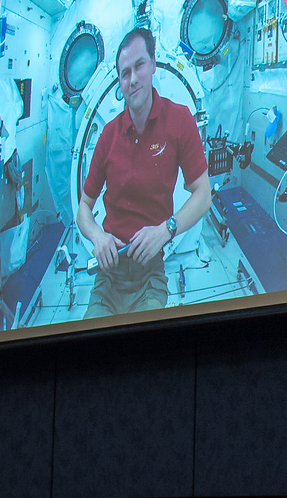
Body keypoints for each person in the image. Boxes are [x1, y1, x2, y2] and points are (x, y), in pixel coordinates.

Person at [77, 27, 212, 317]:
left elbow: (203, 195)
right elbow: (83, 210)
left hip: (150, 270)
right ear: (120, 82)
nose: (133, 79)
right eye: (125, 73)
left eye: (139, 65)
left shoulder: (179, 120)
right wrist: (98, 237)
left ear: (153, 64)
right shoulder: (109, 135)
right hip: (109, 273)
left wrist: (166, 231)